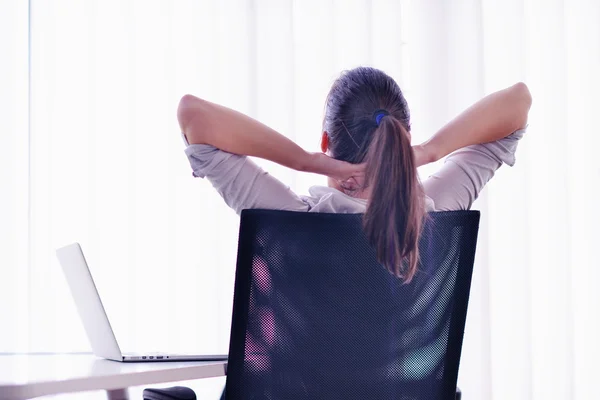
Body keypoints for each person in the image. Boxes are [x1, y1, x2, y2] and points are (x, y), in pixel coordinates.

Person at [177, 66, 531, 282]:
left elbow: (193, 115)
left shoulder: (291, 220)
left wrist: (306, 160)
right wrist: (427, 151)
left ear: (326, 140)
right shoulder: (433, 214)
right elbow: (518, 102)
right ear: (402, 138)